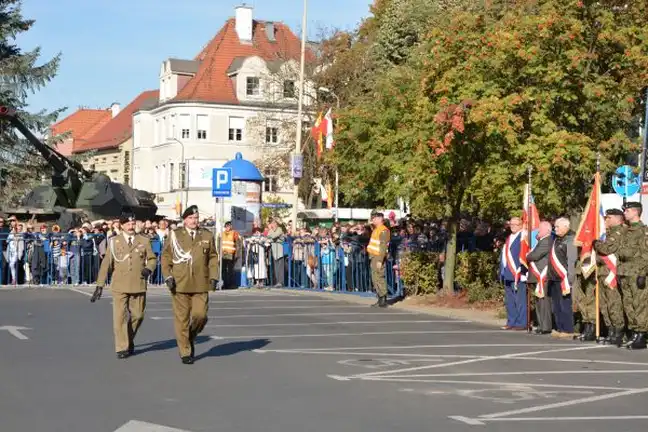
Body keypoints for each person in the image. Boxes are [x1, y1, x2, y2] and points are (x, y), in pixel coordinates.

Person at [161, 205, 221, 364]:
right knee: (182, 319)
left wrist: (214, 276)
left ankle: (190, 337)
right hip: (180, 282)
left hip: (200, 283)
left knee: (200, 315)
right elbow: (166, 256)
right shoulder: (175, 235)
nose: (194, 221)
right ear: (185, 220)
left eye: (196, 218)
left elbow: (213, 258)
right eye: (191, 218)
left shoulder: (206, 235)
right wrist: (168, 276)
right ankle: (185, 352)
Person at [91, 214, 157, 359]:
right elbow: (106, 263)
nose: (131, 226)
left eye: (133, 223)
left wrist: (149, 268)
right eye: (127, 224)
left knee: (138, 316)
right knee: (119, 317)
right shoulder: (114, 241)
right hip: (119, 284)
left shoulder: (144, 240)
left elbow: (152, 258)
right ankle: (122, 347)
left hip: (138, 283)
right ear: (121, 225)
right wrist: (99, 285)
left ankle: (128, 339)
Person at [593, 208, 626, 346]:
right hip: (602, 272)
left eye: (608, 218)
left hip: (611, 273)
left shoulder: (619, 232)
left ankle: (618, 332)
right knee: (604, 304)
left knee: (614, 304)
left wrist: (596, 243)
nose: (606, 220)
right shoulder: (607, 233)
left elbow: (606, 249)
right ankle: (611, 330)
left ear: (617, 218)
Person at [618, 201, 647, 350]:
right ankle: (634, 333)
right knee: (628, 304)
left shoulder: (643, 231)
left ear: (636, 212)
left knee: (639, 305)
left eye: (627, 211)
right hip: (625, 271)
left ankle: (641, 334)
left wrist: (642, 274)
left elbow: (646, 254)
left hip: (636, 272)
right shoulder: (626, 231)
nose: (625, 213)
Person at [499, 217, 527, 330]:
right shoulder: (509, 238)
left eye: (515, 224)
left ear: (521, 225)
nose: (513, 226)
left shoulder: (523, 237)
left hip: (518, 273)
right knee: (509, 300)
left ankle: (522, 322)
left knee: (520, 300)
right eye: (511, 224)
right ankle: (511, 321)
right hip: (507, 273)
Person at [526, 221, 553, 335]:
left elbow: (534, 255)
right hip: (537, 276)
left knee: (544, 302)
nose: (538, 231)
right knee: (538, 301)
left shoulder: (546, 241)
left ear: (547, 230)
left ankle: (545, 326)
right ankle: (541, 324)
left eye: (540, 229)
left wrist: (528, 255)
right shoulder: (541, 241)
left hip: (542, 275)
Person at [367, 211, 390, 308]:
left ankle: (383, 299)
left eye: (375, 218)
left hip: (378, 257)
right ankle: (379, 297)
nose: (373, 220)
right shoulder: (376, 229)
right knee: (375, 278)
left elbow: (383, 246)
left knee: (379, 277)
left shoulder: (383, 230)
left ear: (380, 219)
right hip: (373, 256)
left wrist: (380, 260)